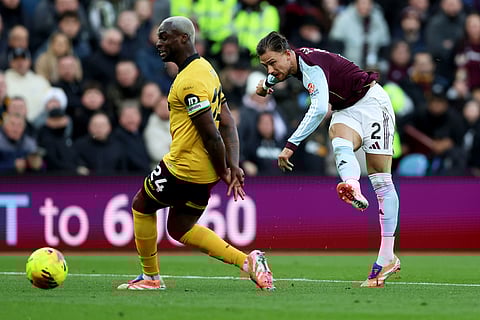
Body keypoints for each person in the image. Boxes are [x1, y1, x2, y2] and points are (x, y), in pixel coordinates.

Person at [117, 16, 274, 291]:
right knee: (179, 228)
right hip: (205, 173)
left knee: (141, 206)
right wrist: (230, 166)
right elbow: (227, 121)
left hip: (184, 166)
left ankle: (151, 278)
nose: (159, 42)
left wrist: (226, 170)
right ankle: (249, 262)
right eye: (159, 36)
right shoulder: (207, 70)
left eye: (165, 37)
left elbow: (212, 134)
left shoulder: (189, 81)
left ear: (184, 39)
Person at [255, 31, 400, 287]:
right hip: (347, 109)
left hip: (373, 103)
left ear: (288, 54)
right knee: (339, 137)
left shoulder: (311, 67)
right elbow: (278, 72)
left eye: (272, 63)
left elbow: (320, 108)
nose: (270, 69)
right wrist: (266, 84)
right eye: (265, 65)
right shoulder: (292, 63)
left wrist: (291, 145)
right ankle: (352, 186)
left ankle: (387, 256)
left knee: (381, 182)